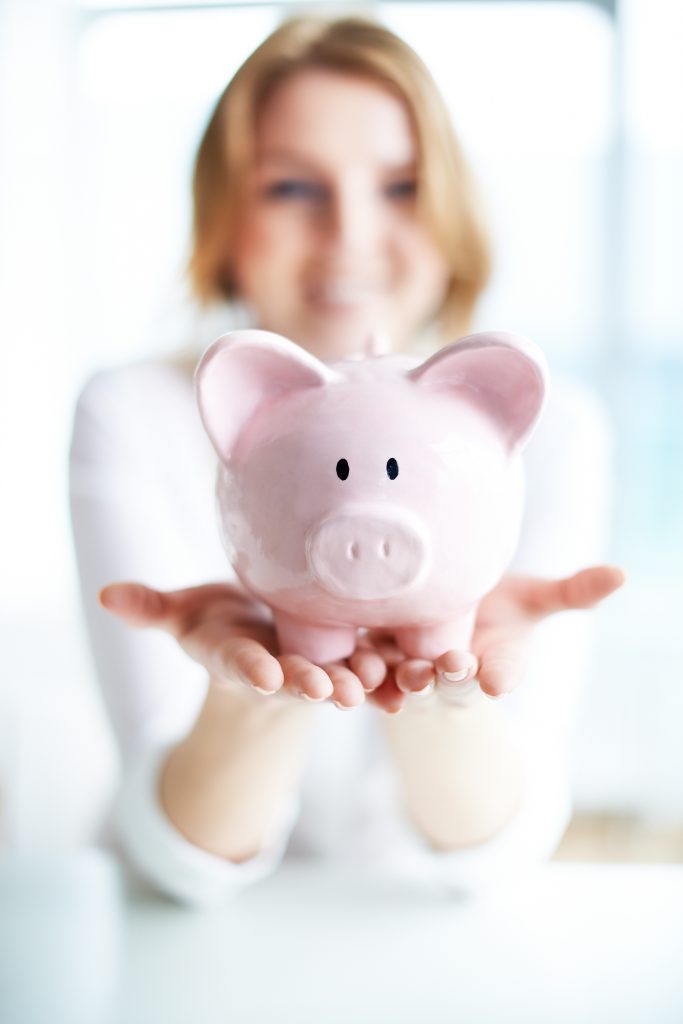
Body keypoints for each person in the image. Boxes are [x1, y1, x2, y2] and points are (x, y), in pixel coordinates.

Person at [69, 15, 624, 907]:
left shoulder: (543, 430)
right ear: (224, 217)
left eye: (402, 186)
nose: (350, 235)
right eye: (293, 187)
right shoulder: (133, 412)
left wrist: (447, 673)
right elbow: (172, 852)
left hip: (417, 934)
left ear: (451, 209)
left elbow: (496, 848)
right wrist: (261, 684)